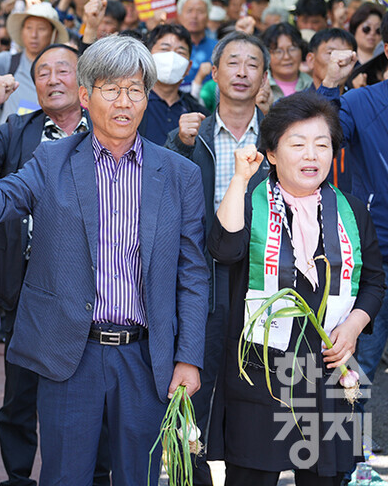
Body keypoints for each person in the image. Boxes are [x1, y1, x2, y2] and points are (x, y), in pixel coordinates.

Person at [0, 35, 208, 486]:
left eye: (135, 90)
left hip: (146, 358)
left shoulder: (179, 173)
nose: (124, 102)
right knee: (65, 476)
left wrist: (188, 357)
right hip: (71, 354)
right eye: (111, 89)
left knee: (141, 477)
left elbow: (192, 274)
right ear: (86, 97)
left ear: (147, 97)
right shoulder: (52, 160)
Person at [207, 93, 384, 486]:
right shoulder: (250, 203)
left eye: (322, 144)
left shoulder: (351, 210)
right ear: (271, 153)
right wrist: (239, 179)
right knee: (251, 475)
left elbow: (374, 282)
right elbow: (222, 248)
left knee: (327, 478)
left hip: (330, 371)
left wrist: (354, 326)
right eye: (297, 143)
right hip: (261, 370)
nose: (312, 155)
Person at [0, 44, 92, 486]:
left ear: (85, 79)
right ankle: (18, 477)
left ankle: (93, 474)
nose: (54, 79)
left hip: (96, 290)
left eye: (64, 70)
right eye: (43, 74)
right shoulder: (19, 130)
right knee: (20, 395)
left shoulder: (109, 131)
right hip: (28, 284)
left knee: (91, 394)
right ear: (33, 86)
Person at [163, 31, 270, 483]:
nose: (242, 71)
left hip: (262, 280)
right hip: (202, 279)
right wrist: (178, 143)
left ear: (264, 78)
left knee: (255, 397)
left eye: (252, 64)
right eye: (233, 62)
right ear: (216, 72)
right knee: (194, 395)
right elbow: (166, 199)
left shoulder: (281, 135)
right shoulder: (192, 133)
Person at [316, 47, 388, 390]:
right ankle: (349, 445)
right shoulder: (362, 103)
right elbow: (319, 135)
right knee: (354, 375)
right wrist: (331, 82)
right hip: (378, 256)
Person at [0, 2, 70, 122]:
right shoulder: (10, 61)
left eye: (41, 29)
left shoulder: (64, 70)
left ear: (54, 34)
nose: (34, 35)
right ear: (22, 31)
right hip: (9, 139)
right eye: (29, 27)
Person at [138, 23, 208, 145]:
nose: (172, 57)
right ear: (148, 58)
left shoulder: (197, 112)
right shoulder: (131, 103)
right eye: (165, 49)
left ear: (188, 67)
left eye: (180, 52)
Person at [176, 0, 218, 90]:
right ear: (180, 16)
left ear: (208, 16)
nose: (194, 16)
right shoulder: (170, 48)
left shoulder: (218, 47)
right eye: (189, 11)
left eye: (200, 11)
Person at [263, 23, 313, 104]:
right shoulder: (260, 85)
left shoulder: (312, 85)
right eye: (278, 51)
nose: (286, 57)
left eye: (292, 49)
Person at [304, 28, 357, 92]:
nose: (339, 60)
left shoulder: (358, 100)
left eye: (345, 55)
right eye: (331, 53)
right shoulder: (297, 101)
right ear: (311, 60)